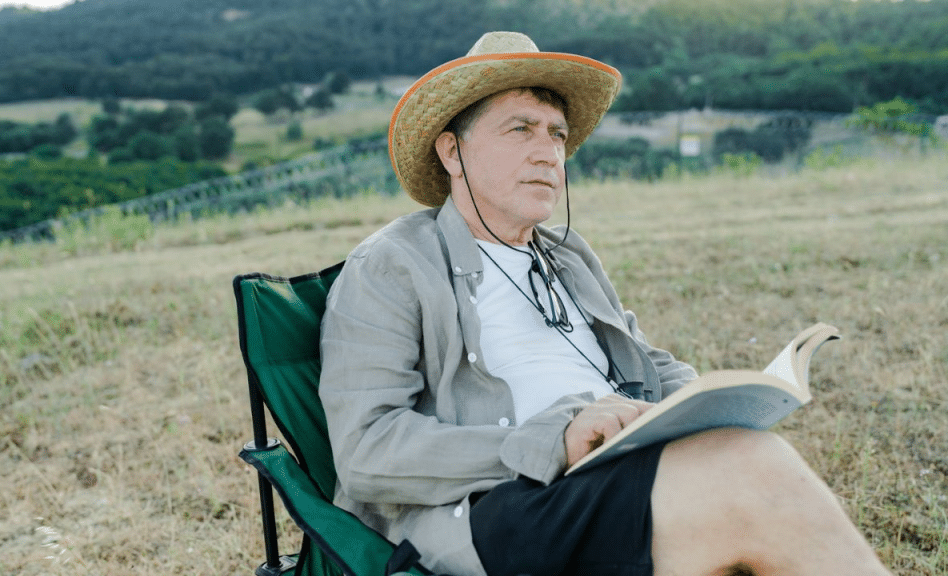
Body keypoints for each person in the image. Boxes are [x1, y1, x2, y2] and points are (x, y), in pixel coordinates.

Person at [319, 32, 892, 576]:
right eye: (521, 129)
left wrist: (714, 399)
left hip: (610, 466)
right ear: (452, 151)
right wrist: (552, 441)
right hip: (499, 505)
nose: (549, 154)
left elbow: (641, 360)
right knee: (753, 474)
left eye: (557, 134)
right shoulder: (394, 264)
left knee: (750, 452)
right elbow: (366, 452)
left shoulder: (566, 256)